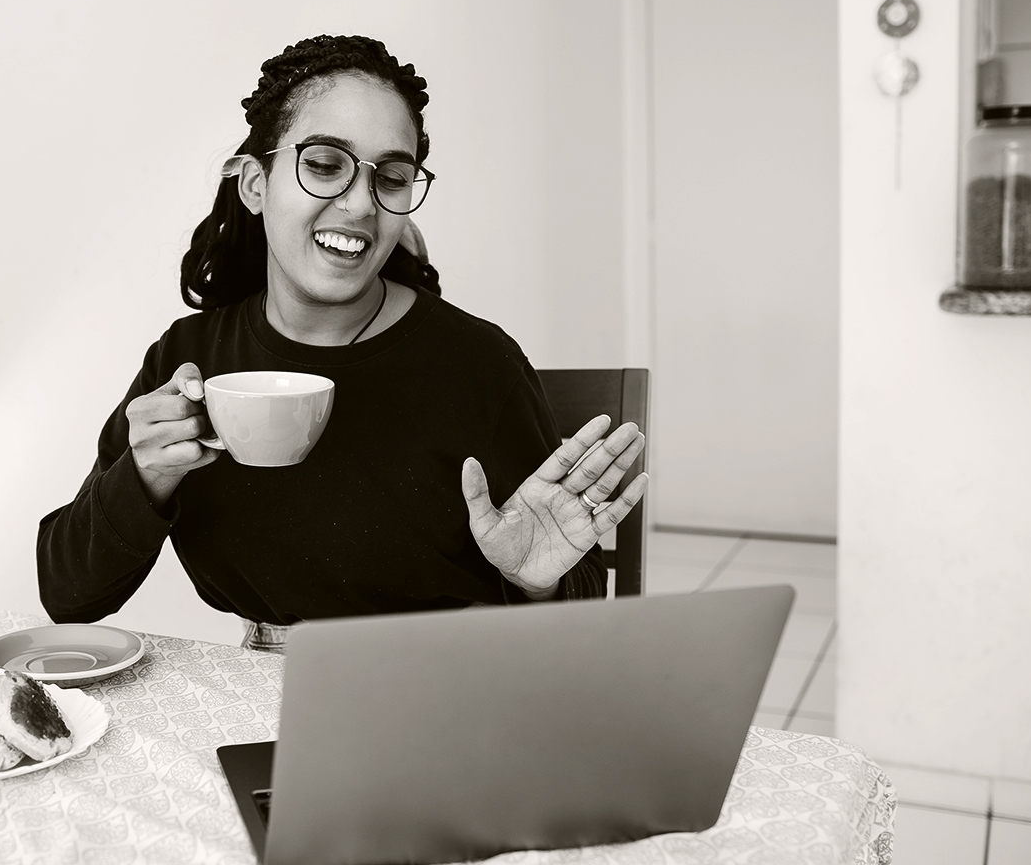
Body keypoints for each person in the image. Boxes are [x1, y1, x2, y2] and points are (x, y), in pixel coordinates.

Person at [36, 35, 647, 648]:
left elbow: (577, 605)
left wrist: (535, 584)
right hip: (257, 680)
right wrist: (143, 476)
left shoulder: (479, 365)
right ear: (255, 184)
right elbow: (69, 596)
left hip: (444, 679)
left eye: (392, 177)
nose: (359, 206)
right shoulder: (189, 362)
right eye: (326, 165)